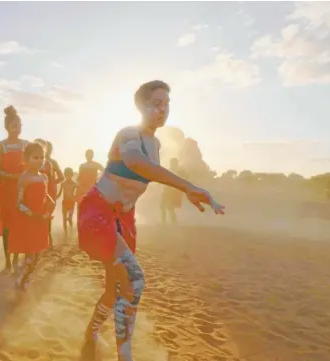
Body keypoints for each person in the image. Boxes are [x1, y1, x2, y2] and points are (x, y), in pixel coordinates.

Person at [78, 80, 225, 361]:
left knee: (115, 288)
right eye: (156, 103)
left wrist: (187, 192)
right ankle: (126, 356)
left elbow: (153, 173)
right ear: (140, 106)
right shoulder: (128, 134)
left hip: (124, 219)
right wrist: (187, 186)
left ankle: (91, 331)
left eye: (166, 104)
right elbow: (136, 163)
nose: (162, 109)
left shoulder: (156, 144)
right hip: (98, 211)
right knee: (134, 279)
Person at [7, 142, 55, 290]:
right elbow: (19, 203)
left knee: (38, 253)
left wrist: (50, 203)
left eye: (42, 157)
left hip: (40, 219)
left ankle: (25, 278)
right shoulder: (24, 177)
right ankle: (21, 279)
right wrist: (33, 215)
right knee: (30, 254)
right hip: (28, 221)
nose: (40, 160)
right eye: (35, 157)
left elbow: (45, 195)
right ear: (26, 159)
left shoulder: (44, 178)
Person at [0, 105, 28, 273]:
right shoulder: (0, 145)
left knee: (20, 224)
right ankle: (7, 258)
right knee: (7, 225)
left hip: (23, 189)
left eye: (20, 126)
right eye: (15, 125)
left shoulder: (26, 145)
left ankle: (16, 257)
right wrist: (14, 177)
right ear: (7, 127)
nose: (18, 129)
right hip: (7, 188)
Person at [36, 139, 64, 247]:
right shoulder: (36, 160)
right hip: (37, 189)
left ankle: (48, 237)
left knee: (47, 214)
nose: (47, 150)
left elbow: (62, 177)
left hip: (50, 190)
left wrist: (51, 183)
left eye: (49, 148)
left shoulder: (53, 162)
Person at [160, 158, 184, 224]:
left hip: (171, 191)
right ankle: (164, 223)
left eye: (173, 163)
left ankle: (172, 222)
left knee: (169, 207)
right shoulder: (170, 170)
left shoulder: (176, 172)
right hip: (166, 190)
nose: (172, 164)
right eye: (171, 163)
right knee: (163, 207)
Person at [56, 167, 78, 238]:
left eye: (69, 175)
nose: (68, 177)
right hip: (65, 202)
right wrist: (54, 198)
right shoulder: (63, 183)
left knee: (70, 218)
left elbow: (78, 192)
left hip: (71, 202)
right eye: (66, 175)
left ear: (71, 175)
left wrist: (76, 197)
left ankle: (71, 231)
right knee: (64, 218)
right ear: (65, 175)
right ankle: (65, 234)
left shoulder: (75, 184)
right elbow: (59, 193)